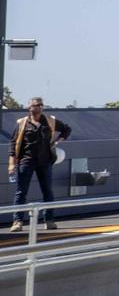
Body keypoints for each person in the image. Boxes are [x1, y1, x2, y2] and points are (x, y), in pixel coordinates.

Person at [8, 97, 71, 232]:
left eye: (41, 105)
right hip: (26, 161)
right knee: (21, 192)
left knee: (47, 191)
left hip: (45, 162)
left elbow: (67, 130)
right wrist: (11, 165)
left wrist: (57, 141)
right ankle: (17, 221)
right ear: (29, 107)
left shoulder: (50, 121)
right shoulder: (21, 123)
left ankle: (49, 220)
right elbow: (13, 145)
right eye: (36, 105)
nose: (39, 108)